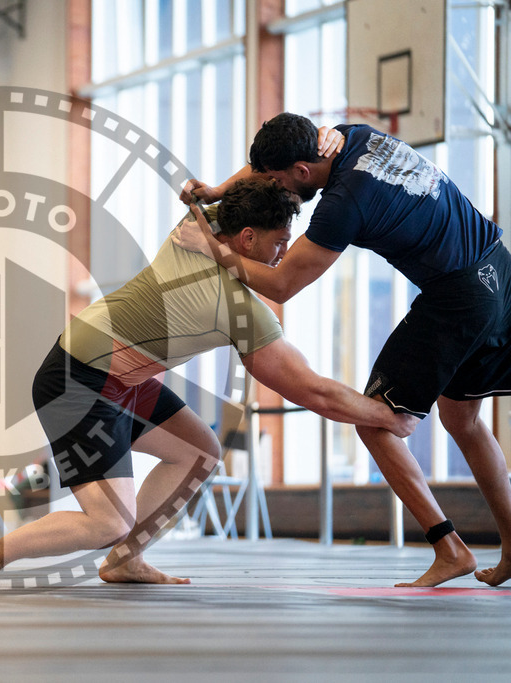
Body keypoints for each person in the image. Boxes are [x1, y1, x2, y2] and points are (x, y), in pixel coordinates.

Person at [0, 176, 417, 586]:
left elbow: (247, 186)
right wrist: (384, 415)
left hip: (125, 381)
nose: (284, 256)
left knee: (199, 451)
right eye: (280, 243)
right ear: (247, 237)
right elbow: (310, 389)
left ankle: (124, 560)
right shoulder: (240, 311)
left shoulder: (195, 228)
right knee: (108, 522)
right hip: (77, 379)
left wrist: (220, 189)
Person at [175, 112, 511, 587]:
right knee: (463, 420)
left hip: (458, 297)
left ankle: (450, 548)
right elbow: (268, 162)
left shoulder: (342, 206)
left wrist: (215, 250)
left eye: (279, 182)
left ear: (303, 170)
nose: (276, 191)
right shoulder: (351, 138)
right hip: (497, 267)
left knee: (374, 419)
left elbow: (282, 284)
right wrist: (217, 191)